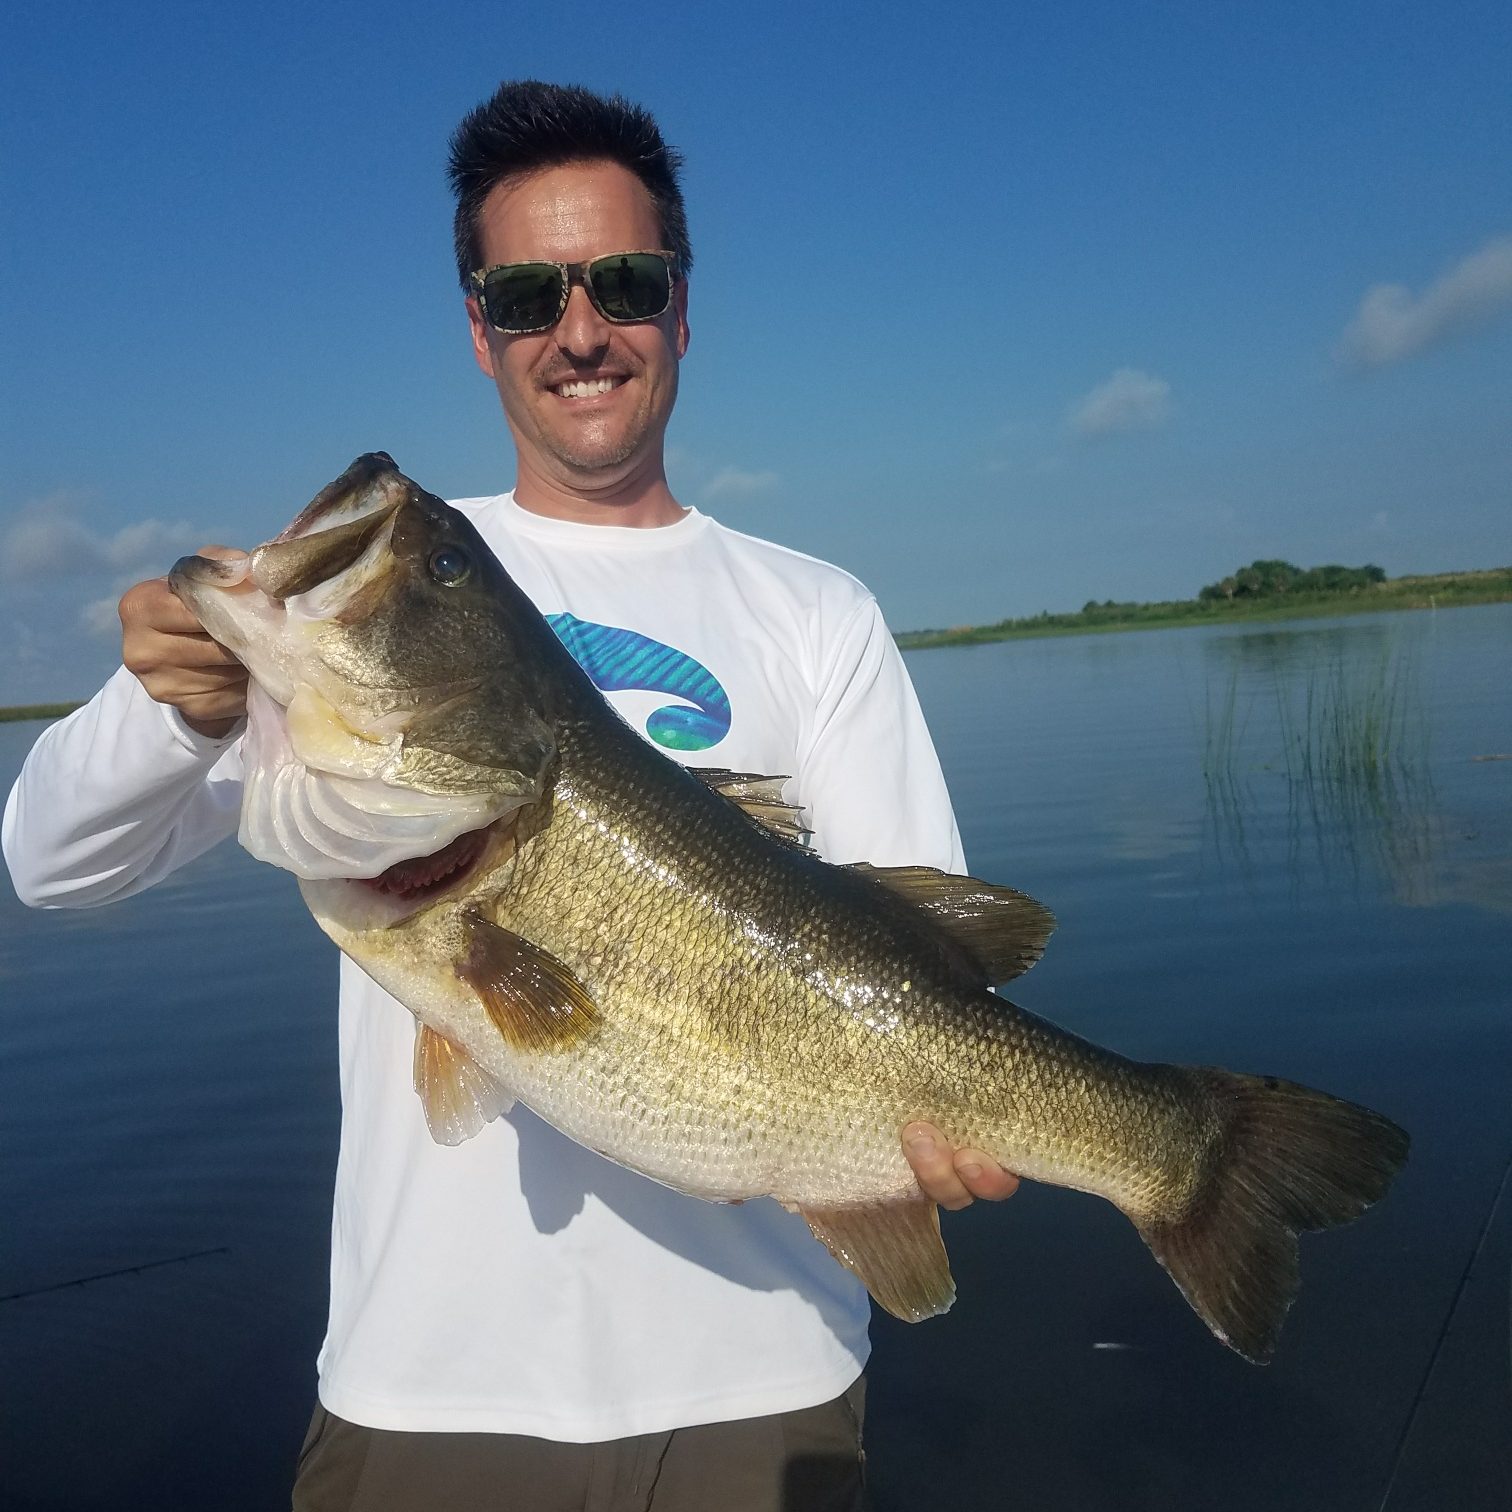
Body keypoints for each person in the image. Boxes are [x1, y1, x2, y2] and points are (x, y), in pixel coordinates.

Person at [2, 81, 1016, 1510]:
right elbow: (49, 864)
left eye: (625, 282)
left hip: (768, 1382)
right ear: (479, 332)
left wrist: (953, 1120)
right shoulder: (372, 615)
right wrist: (176, 705)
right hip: (429, 1390)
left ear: (680, 305)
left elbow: (922, 963)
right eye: (530, 292)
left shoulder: (817, 610)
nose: (581, 327)